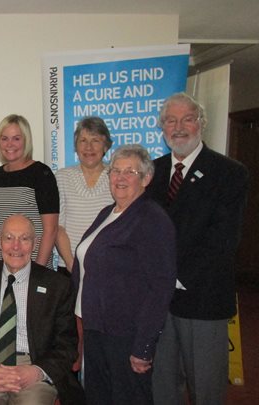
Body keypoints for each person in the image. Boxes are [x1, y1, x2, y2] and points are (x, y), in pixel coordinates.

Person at [147, 93, 249, 405]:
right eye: (170, 121)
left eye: (187, 119)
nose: (178, 127)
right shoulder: (152, 171)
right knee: (162, 387)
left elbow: (223, 240)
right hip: (160, 304)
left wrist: (172, 274)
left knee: (206, 388)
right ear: (162, 128)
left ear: (201, 124)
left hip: (203, 300)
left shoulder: (229, 173)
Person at [72, 144, 176, 405]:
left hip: (125, 335)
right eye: (115, 171)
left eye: (129, 172)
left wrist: (143, 347)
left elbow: (161, 287)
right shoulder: (107, 213)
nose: (119, 178)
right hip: (97, 329)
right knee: (98, 397)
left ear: (146, 178)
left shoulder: (152, 218)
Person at [0, 214, 85, 405]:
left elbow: (67, 344)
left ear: (34, 243)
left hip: (33, 370)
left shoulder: (57, 286)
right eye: (9, 238)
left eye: (24, 238)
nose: (16, 246)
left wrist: (37, 371)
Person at [0, 114, 59, 269]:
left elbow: (50, 230)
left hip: (29, 263)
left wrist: (38, 270)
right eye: (4, 138)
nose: (9, 144)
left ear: (26, 141)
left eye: (16, 138)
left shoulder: (41, 174)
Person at [55, 116, 113, 273]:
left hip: (107, 267)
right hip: (69, 267)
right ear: (76, 146)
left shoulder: (116, 177)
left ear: (106, 146)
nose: (89, 147)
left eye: (95, 140)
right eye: (83, 141)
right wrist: (71, 264)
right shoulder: (62, 177)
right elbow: (58, 227)